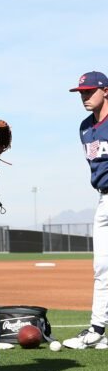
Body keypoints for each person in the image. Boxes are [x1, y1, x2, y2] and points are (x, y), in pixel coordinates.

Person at [62, 72, 108, 350]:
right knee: (101, 266)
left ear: (106, 91)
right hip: (103, 200)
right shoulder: (84, 127)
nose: (84, 96)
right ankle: (97, 328)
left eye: (90, 91)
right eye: (81, 92)